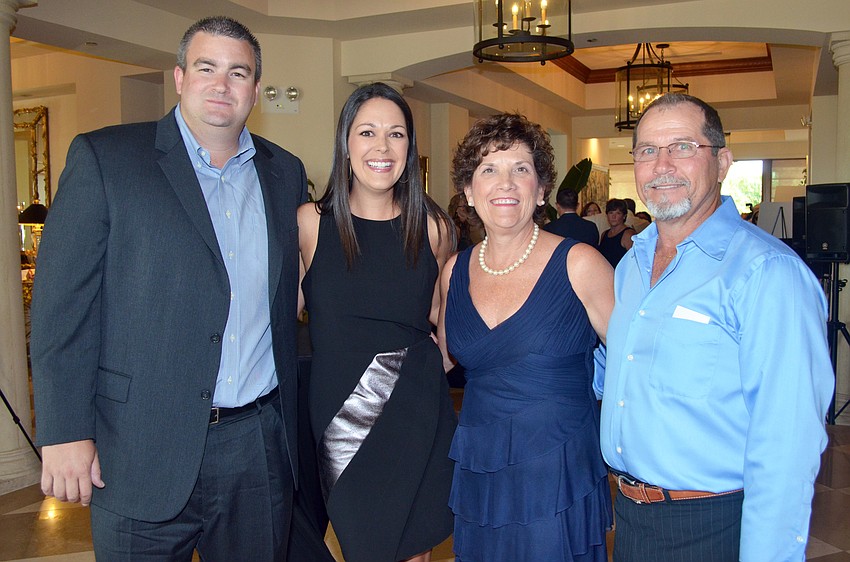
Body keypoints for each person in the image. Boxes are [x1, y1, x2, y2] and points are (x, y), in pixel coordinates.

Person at [30, 16, 307, 560]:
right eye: (207, 68)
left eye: (238, 72)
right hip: (137, 446)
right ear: (179, 76)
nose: (222, 85)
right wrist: (64, 432)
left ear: (255, 88)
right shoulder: (106, 159)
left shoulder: (285, 173)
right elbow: (62, 310)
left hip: (255, 447)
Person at [594, 93, 833, 561]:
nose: (662, 165)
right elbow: (619, 371)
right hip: (632, 519)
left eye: (683, 147)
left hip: (714, 525)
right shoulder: (630, 266)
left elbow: (788, 445)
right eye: (646, 150)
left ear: (722, 162)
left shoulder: (766, 272)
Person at [439, 113, 614, 561]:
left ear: (540, 190)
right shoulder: (453, 271)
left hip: (555, 466)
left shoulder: (580, 263)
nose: (505, 183)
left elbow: (638, 366)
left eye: (521, 169)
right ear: (468, 190)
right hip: (481, 460)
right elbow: (437, 362)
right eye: (489, 170)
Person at [297, 82, 457, 562]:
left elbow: (445, 328)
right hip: (338, 422)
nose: (382, 148)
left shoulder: (433, 228)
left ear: (410, 147)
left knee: (412, 553)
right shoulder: (310, 223)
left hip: (414, 419)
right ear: (346, 142)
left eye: (397, 134)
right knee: (363, 545)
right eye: (367, 132)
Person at [598, 198, 636, 267]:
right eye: (611, 213)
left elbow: (635, 261)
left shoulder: (628, 235)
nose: (613, 216)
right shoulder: (604, 234)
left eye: (618, 213)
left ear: (624, 216)